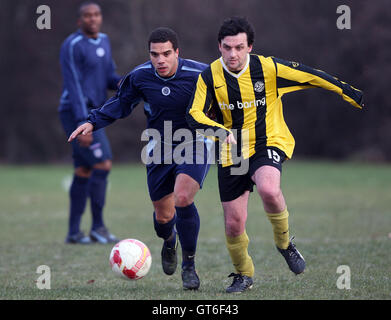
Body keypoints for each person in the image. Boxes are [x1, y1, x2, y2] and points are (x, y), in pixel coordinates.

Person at [186, 16, 364, 293]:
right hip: (232, 151)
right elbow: (193, 114)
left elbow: (310, 75)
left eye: (239, 47)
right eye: (227, 47)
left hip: (268, 141)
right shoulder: (209, 76)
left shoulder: (267, 68)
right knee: (234, 224)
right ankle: (243, 275)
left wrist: (347, 91)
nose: (233, 54)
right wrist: (220, 131)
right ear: (219, 46)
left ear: (250, 47)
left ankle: (284, 243)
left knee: (269, 189)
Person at [68, 27, 211, 290]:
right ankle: (170, 242)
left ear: (177, 52)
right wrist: (92, 121)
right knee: (163, 219)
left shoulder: (202, 74)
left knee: (182, 197)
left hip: (195, 142)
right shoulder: (140, 76)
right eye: (155, 54)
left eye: (167, 53)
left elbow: (227, 99)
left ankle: (189, 266)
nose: (161, 60)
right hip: (159, 146)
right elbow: (120, 103)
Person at [58, 2, 121, 244]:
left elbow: (109, 78)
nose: (92, 19)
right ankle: (98, 228)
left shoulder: (104, 40)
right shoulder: (72, 45)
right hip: (75, 113)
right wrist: (81, 121)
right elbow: (73, 86)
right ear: (79, 21)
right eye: (87, 15)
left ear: (100, 18)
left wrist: (131, 84)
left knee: (84, 169)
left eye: (96, 14)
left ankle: (74, 232)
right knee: (103, 163)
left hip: (94, 113)